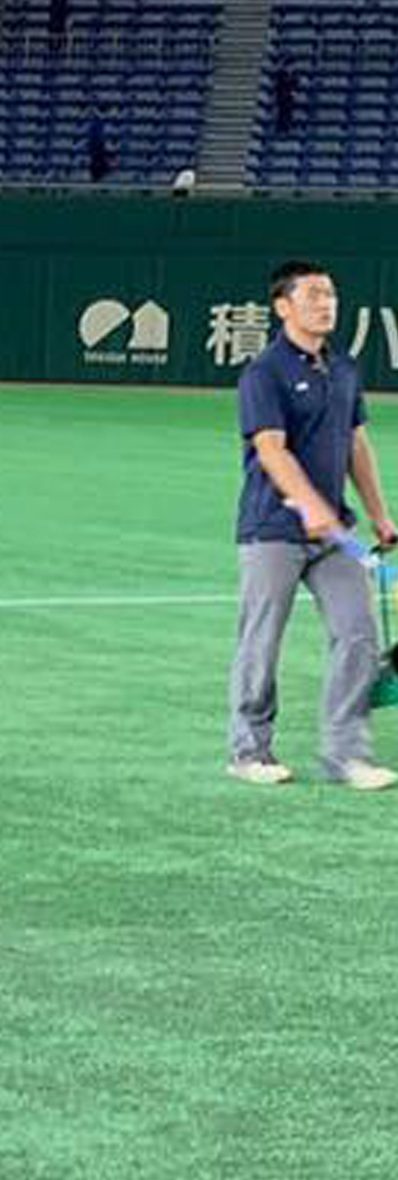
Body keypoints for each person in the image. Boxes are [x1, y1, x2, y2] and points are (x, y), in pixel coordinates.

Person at [229, 260, 398, 789]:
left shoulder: (343, 368)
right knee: (261, 642)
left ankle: (347, 756)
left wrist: (379, 514)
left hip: (335, 538)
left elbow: (356, 445)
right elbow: (271, 450)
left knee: (359, 635)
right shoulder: (264, 373)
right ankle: (249, 752)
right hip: (272, 531)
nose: (326, 304)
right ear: (283, 307)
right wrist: (312, 507)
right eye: (313, 295)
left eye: (331, 294)